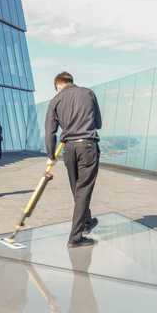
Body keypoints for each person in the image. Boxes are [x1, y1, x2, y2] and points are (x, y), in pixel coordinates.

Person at [45, 71, 102, 248]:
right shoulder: (88, 93)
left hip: (69, 149)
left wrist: (51, 155)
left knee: (77, 188)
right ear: (71, 82)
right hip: (87, 146)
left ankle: (86, 221)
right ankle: (75, 237)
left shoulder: (55, 101)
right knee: (83, 189)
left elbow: (50, 132)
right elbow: (98, 123)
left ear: (58, 85)